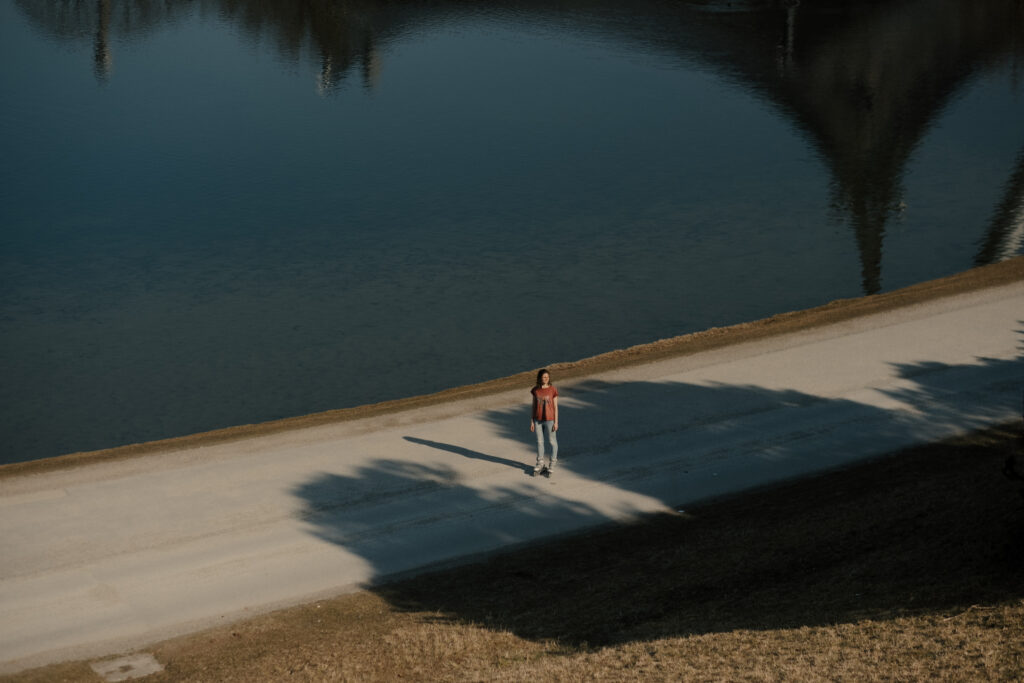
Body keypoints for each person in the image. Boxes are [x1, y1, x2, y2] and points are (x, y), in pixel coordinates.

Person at [530, 368, 559, 476]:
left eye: (547, 377)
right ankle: (540, 463)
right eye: (543, 377)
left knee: (552, 442)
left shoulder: (553, 390)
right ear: (540, 378)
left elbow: (556, 407)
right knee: (539, 442)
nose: (545, 379)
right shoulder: (535, 390)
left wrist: (556, 422)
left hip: (550, 420)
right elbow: (533, 406)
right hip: (538, 420)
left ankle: (552, 464)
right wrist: (532, 421)